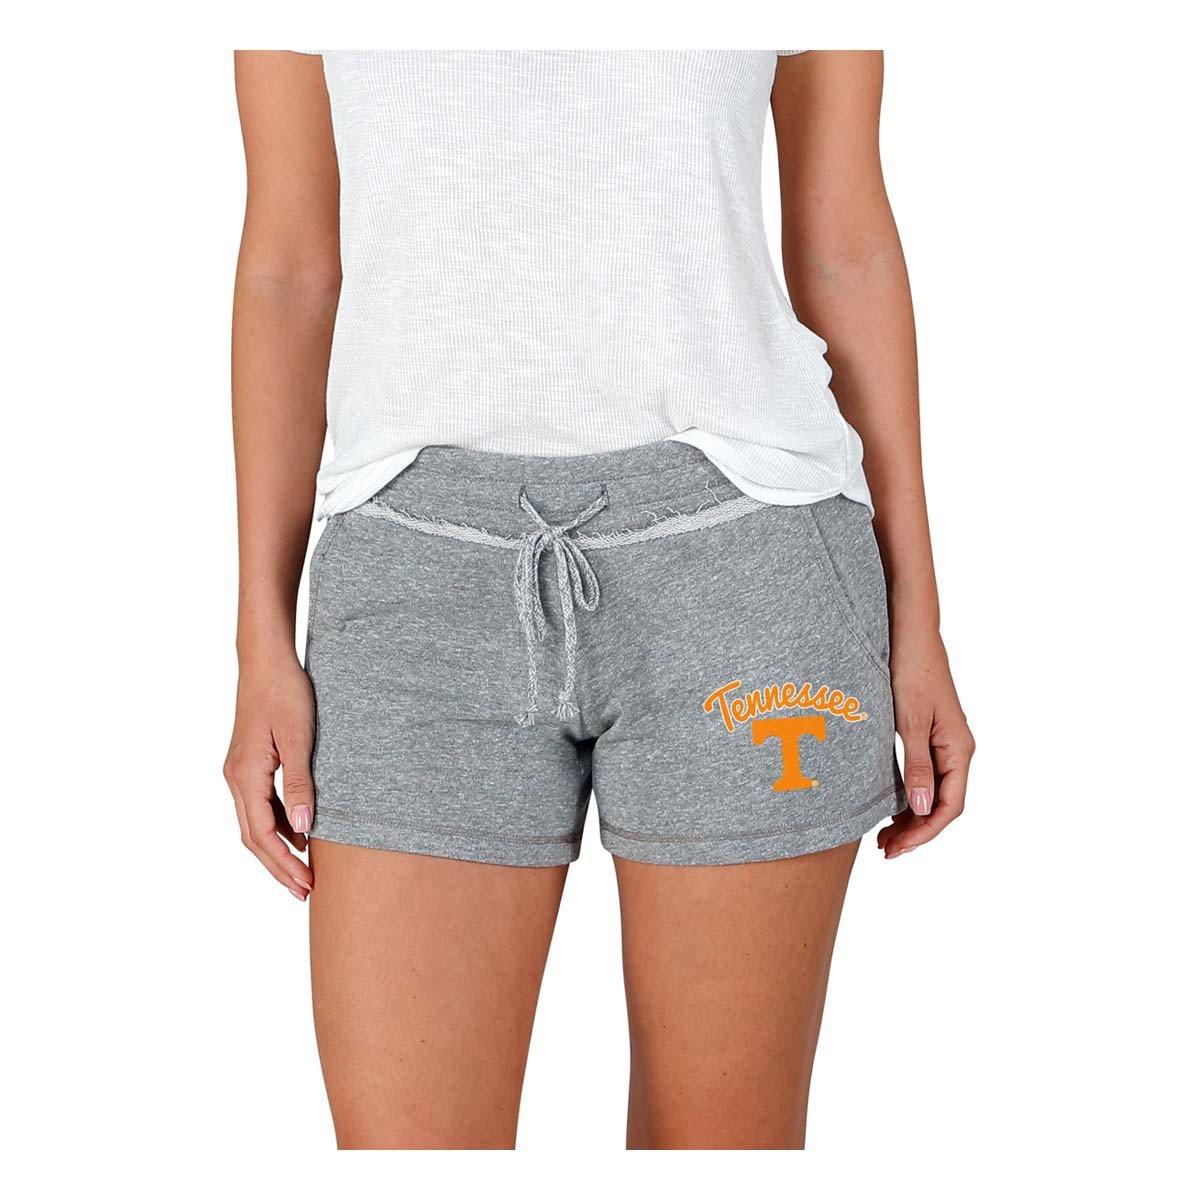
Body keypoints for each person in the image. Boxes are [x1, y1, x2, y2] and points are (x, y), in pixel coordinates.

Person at [225, 49, 974, 1150]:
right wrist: (260, 640)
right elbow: (288, 269)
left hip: (742, 569)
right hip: (412, 585)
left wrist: (921, 622)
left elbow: (844, 246)